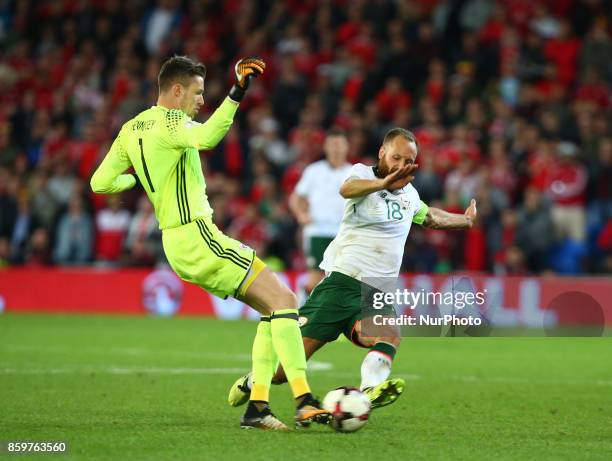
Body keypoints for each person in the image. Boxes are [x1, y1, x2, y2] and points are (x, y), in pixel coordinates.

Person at [90, 55, 330, 430]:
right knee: (286, 300)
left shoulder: (129, 129)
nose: (201, 101)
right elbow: (208, 136)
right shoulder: (171, 121)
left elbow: (100, 183)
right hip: (198, 234)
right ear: (176, 90)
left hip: (174, 244)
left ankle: (258, 409)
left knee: (273, 308)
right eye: (198, 93)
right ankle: (304, 400)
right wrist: (238, 91)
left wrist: (132, 182)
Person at [229, 128, 477, 409]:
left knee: (390, 335)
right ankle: (253, 381)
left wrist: (464, 221)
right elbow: (346, 190)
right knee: (283, 371)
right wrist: (383, 183)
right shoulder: (362, 174)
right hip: (341, 284)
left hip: (375, 291)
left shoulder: (410, 195)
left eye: (408, 161)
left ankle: (370, 389)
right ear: (382, 153)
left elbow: (430, 216)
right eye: (396, 157)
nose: (401, 166)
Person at [288, 128, 352, 295]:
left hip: (344, 232)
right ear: (326, 147)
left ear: (347, 147)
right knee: (315, 278)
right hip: (318, 231)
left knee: (344, 278)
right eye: (333, 144)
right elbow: (295, 198)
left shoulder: (354, 173)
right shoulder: (314, 171)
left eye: (340, 145)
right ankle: (302, 314)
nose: (336, 148)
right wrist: (301, 215)